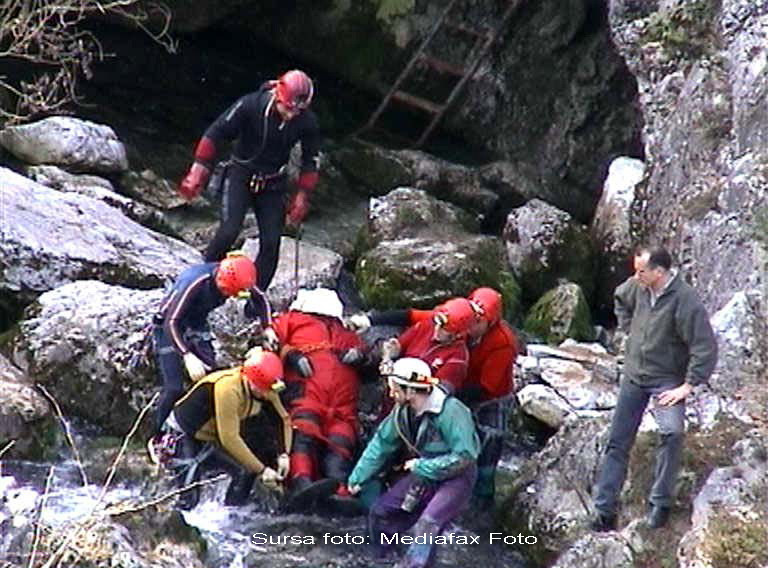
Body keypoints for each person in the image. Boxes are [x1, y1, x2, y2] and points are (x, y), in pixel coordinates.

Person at [347, 288, 518, 505]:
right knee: (385, 439)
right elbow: (410, 317)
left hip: (486, 397)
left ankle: (482, 501)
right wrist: (370, 321)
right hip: (423, 394)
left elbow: (486, 387)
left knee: (485, 447)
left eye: (478, 322)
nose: (473, 325)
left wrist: (436, 399)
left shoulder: (499, 344)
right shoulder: (445, 320)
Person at [591, 246, 717, 531]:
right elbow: (620, 298)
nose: (636, 276)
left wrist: (687, 386)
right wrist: (628, 331)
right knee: (617, 441)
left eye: (642, 271)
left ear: (660, 272)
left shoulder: (685, 301)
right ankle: (604, 510)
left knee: (671, 435)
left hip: (667, 380)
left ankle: (659, 505)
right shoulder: (637, 287)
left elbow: (705, 347)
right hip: (635, 375)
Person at [178, 69, 321, 290]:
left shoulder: (306, 121)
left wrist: (302, 196)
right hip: (241, 175)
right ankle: (202, 281)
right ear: (278, 96)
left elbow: (310, 159)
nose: (291, 115)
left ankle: (254, 303)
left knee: (272, 243)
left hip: (273, 183)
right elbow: (215, 133)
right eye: (287, 109)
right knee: (229, 231)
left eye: (297, 112)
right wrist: (198, 169)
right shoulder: (251, 105)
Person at [346, 357, 480, 568]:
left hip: (457, 478)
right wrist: (358, 477)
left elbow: (465, 457)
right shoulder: (401, 413)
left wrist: (422, 467)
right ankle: (380, 559)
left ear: (410, 391)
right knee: (381, 512)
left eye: (395, 389)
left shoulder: (453, 411)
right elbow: (381, 444)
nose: (391, 394)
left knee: (428, 523)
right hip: (425, 473)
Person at [260, 288, 367, 512]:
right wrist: (291, 355)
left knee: (340, 443)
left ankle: (338, 489)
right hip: (307, 395)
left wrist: (362, 357)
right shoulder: (290, 320)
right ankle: (302, 483)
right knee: (304, 436)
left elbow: (370, 361)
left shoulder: (347, 332)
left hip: (342, 406)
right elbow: (268, 342)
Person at [150, 251, 269, 440]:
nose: (226, 297)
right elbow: (171, 322)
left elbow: (260, 298)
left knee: (212, 377)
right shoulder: (197, 281)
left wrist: (267, 327)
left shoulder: (239, 277)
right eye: (226, 293)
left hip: (197, 322)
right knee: (174, 387)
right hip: (169, 325)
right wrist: (187, 355)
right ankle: (157, 435)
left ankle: (199, 427)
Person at [161, 348, 292, 509]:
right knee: (189, 499)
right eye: (265, 391)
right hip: (184, 433)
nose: (268, 395)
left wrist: (283, 453)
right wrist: (262, 470)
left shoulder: (266, 387)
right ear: (252, 382)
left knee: (244, 472)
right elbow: (229, 439)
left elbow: (282, 419)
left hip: (211, 436)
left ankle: (231, 513)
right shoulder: (228, 389)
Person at [377, 297, 477, 394]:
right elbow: (399, 346)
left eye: (444, 329)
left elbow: (443, 388)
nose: (436, 330)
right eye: (436, 323)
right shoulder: (427, 325)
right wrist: (388, 356)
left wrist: (416, 378)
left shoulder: (458, 358)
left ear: (458, 334)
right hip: (395, 394)